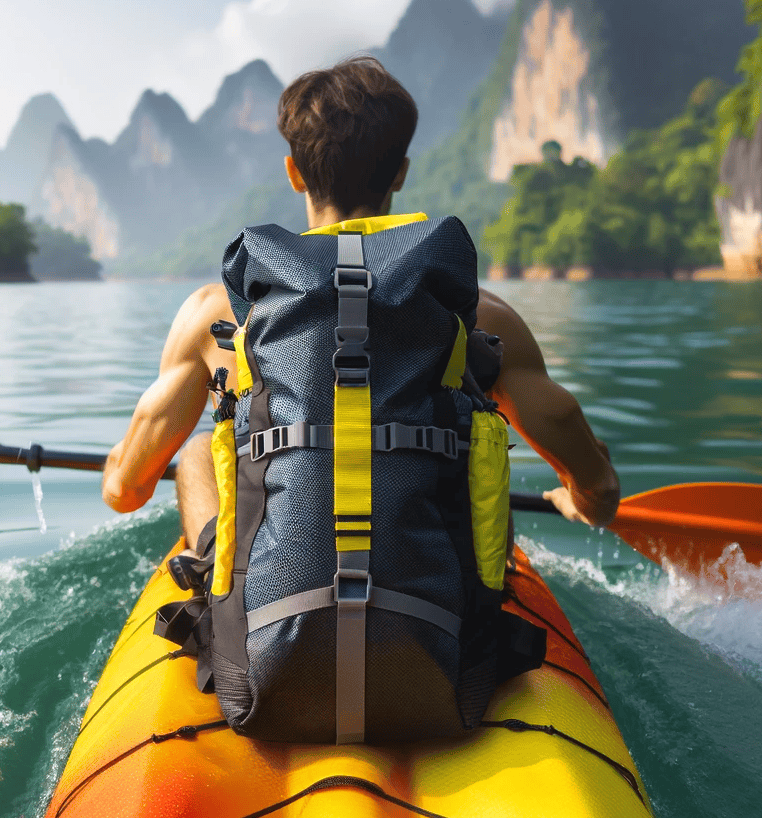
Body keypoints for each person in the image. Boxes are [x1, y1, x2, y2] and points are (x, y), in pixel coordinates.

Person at [102, 54, 619, 561]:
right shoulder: (480, 314)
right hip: (440, 619)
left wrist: (117, 466)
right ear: (400, 173)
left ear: (294, 172)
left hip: (271, 620)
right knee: (476, 448)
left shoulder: (217, 313)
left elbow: (126, 492)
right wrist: (577, 500)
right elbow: (593, 479)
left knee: (195, 453)